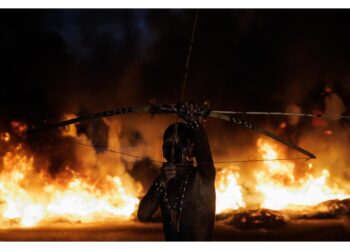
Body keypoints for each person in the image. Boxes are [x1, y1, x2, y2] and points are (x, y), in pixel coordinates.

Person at [137, 103, 216, 241]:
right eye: (167, 144)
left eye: (177, 143)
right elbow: (143, 215)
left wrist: (194, 124)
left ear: (190, 149)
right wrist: (161, 181)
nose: (172, 149)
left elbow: (204, 153)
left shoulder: (202, 177)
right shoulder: (164, 181)